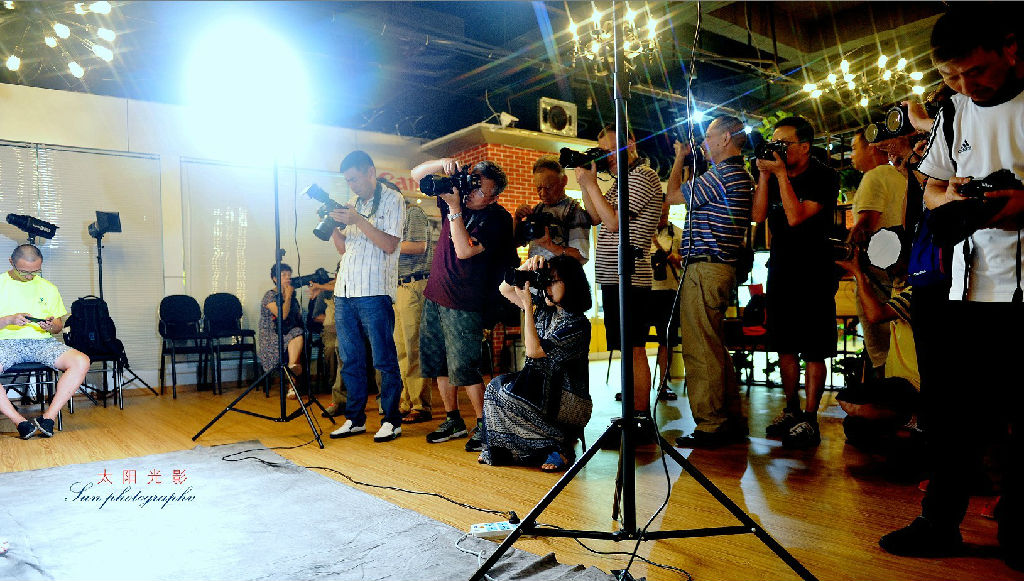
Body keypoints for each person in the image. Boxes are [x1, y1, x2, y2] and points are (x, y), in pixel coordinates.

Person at [879, 9, 1024, 570]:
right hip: (959, 285)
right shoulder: (956, 110)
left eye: (976, 71)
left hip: (1019, 288)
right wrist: (956, 199)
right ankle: (938, 523)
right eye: (950, 76)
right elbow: (932, 187)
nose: (965, 85)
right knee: (946, 414)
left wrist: (1011, 204)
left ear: (1009, 46)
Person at [411, 157, 516, 452]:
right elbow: (416, 173)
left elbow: (464, 251)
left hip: (465, 301)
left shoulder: (498, 219)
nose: (472, 192)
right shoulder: (457, 195)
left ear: (494, 197)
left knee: (465, 367)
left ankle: (485, 425)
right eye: (473, 183)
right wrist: (443, 163)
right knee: (440, 364)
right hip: (435, 293)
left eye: (481, 190)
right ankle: (453, 419)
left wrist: (455, 209)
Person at [666, 114, 754, 448]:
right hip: (718, 268)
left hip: (705, 268)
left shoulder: (722, 175)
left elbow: (672, 195)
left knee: (700, 347)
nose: (704, 143)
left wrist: (679, 158)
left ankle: (711, 424)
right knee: (714, 345)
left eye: (708, 136)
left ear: (726, 138)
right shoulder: (738, 175)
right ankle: (729, 417)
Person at [752, 115, 839, 449]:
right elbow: (758, 216)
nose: (778, 149)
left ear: (805, 146)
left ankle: (810, 419)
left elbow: (795, 216)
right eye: (774, 143)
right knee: (784, 344)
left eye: (784, 144)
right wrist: (764, 176)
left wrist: (779, 175)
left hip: (815, 270)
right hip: (781, 269)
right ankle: (791, 410)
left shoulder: (824, 175)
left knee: (814, 348)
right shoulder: (773, 174)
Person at [575, 124, 663, 439]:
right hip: (614, 276)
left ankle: (640, 418)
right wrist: (585, 184)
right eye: (604, 152)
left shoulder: (643, 176)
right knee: (627, 348)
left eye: (613, 150)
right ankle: (632, 415)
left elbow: (613, 222)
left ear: (631, 142)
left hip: (632, 277)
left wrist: (591, 184)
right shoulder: (621, 182)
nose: (609, 157)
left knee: (635, 348)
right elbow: (595, 216)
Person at [479, 255, 592, 471]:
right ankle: (510, 449)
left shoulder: (578, 324)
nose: (547, 287)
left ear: (570, 283)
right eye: (546, 280)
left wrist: (528, 307)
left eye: (553, 281)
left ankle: (560, 446)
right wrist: (526, 266)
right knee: (494, 388)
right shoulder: (546, 309)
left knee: (510, 396)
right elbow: (505, 289)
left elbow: (533, 351)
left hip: (566, 399)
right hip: (539, 387)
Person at [327, 150, 405, 443]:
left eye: (355, 179)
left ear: (370, 172)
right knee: (350, 359)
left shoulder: (393, 199)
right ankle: (354, 418)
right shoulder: (353, 204)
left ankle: (391, 420)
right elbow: (344, 250)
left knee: (384, 358)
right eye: (348, 181)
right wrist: (334, 227)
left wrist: (357, 219)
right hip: (345, 290)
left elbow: (389, 244)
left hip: (374, 290)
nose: (352, 185)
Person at [0, 244, 90, 439]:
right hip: (5, 343)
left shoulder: (48, 288)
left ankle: (48, 418)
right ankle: (20, 422)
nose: (30, 276)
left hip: (42, 343)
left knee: (81, 361)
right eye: (24, 272)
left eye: (35, 271)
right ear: (11, 262)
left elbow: (58, 326)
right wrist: (8, 320)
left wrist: (51, 326)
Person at [847, 127, 908, 376]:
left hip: (876, 275)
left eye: (854, 148)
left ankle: (884, 393)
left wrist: (848, 252)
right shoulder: (901, 176)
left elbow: (865, 227)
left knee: (881, 352)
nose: (851, 155)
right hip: (901, 270)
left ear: (872, 147)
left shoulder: (874, 176)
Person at [396, 199, 437, 424]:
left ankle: (421, 405)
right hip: (397, 286)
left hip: (414, 284)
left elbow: (418, 246)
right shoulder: (392, 218)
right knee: (401, 349)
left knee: (414, 347)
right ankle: (407, 401)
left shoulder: (412, 213)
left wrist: (385, 242)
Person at [513, 156, 592, 265]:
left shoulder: (574, 211)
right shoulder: (537, 210)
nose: (543, 193)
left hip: (561, 274)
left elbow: (581, 257)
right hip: (535, 273)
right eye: (539, 188)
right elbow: (515, 243)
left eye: (549, 187)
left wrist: (549, 245)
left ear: (564, 181)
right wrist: (517, 219)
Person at [647, 202, 682, 401]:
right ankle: (634, 386)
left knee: (666, 341)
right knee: (635, 341)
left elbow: (687, 261)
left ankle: (663, 384)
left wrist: (676, 258)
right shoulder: (643, 232)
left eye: (665, 213)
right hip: (645, 290)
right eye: (658, 213)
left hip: (669, 292)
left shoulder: (677, 233)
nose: (662, 217)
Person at [257, 262, 305, 399]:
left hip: (288, 332)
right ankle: (292, 383)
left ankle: (292, 370)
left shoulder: (292, 297)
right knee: (295, 339)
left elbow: (296, 317)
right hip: (271, 336)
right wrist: (288, 296)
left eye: (289, 275)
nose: (288, 278)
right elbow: (282, 316)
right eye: (283, 275)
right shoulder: (270, 296)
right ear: (275, 278)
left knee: (298, 334)